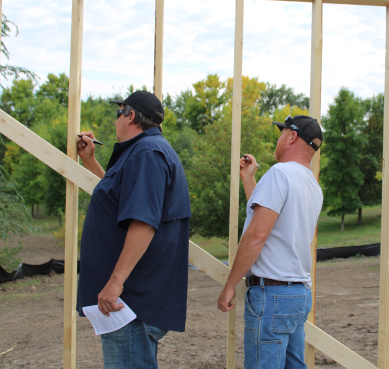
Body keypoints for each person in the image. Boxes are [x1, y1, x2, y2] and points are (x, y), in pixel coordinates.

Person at [76, 91, 191, 369]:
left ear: (129, 115)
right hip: (131, 300)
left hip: (129, 303)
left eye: (118, 113)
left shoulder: (147, 155)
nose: (114, 121)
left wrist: (115, 284)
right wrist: (91, 162)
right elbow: (125, 200)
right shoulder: (144, 153)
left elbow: (143, 222)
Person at [217, 115, 323, 369]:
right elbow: (270, 219)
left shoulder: (279, 174)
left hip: (272, 296)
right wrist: (249, 179)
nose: (278, 139)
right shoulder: (312, 185)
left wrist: (230, 285)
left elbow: (256, 236)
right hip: (298, 294)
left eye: (281, 133)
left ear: (292, 136)